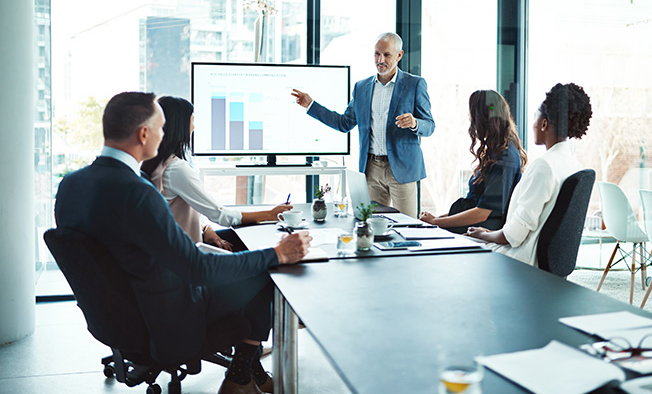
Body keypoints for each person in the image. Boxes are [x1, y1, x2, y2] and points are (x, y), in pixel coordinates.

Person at [54, 92, 311, 394]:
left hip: (120, 315)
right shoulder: (138, 192)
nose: (164, 135)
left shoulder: (70, 185)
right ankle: (238, 379)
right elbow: (197, 269)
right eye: (160, 128)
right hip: (169, 317)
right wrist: (277, 253)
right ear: (144, 133)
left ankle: (243, 373)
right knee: (265, 273)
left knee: (246, 265)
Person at [291, 32, 435, 217]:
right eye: (377, 54)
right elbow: (344, 123)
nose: (380, 60)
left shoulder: (414, 84)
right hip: (371, 169)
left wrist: (415, 123)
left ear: (399, 55)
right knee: (372, 226)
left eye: (387, 55)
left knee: (406, 226)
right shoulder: (361, 87)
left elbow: (429, 125)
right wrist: (311, 105)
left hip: (402, 169)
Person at [141, 96, 292, 251]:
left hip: (171, 248)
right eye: (192, 121)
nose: (194, 127)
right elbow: (221, 216)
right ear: (180, 125)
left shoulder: (156, 164)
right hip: (186, 256)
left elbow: (175, 213)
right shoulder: (176, 169)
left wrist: (206, 229)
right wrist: (270, 214)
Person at [467, 83, 592, 266]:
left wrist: (483, 234)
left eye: (535, 116)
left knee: (455, 248)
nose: (533, 123)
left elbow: (513, 236)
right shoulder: (574, 165)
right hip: (539, 263)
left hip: (519, 261)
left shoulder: (544, 166)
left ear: (544, 123)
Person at [418, 90, 526, 235]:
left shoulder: (505, 158)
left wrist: (437, 222)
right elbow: (474, 204)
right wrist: (435, 219)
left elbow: (482, 212)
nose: (469, 119)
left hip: (479, 231)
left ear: (482, 119)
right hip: (471, 227)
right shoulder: (496, 152)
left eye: (472, 114)